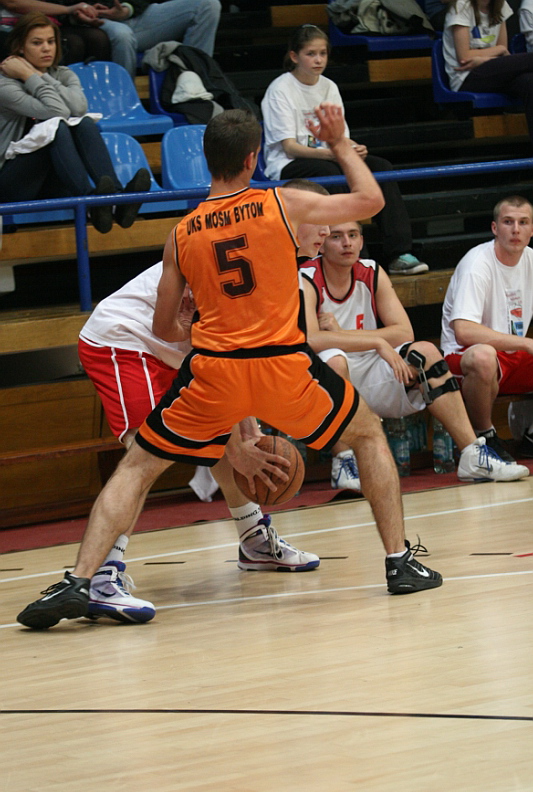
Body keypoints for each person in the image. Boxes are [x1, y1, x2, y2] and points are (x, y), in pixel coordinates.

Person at [17, 102, 444, 631]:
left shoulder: (181, 233)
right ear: (252, 158)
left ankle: (79, 579)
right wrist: (337, 143)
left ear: (206, 158)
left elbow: (166, 328)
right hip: (277, 366)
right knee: (367, 435)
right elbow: (372, 200)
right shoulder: (280, 203)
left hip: (214, 369)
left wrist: (196, 327)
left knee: (137, 467)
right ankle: (399, 562)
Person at [77, 259, 321, 622]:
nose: (326, 235)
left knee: (222, 431)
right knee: (143, 456)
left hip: (175, 349)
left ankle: (254, 539)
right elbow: (215, 356)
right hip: (125, 338)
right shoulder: (237, 260)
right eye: (323, 231)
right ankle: (100, 577)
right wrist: (240, 444)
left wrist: (248, 429)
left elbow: (232, 359)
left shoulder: (275, 271)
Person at [300, 219, 530, 491]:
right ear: (322, 244)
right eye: (337, 236)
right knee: (335, 359)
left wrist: (363, 339)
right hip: (324, 380)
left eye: (353, 235)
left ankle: (472, 453)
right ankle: (344, 461)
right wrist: (376, 341)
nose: (347, 243)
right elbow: (312, 339)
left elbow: (404, 331)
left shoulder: (372, 272)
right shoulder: (307, 277)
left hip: (373, 369)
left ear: (362, 241)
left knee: (425, 352)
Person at [260, 24, 429, 277]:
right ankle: (358, 258)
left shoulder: (329, 86)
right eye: (310, 54)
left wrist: (353, 149)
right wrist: (335, 153)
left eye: (322, 53)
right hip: (288, 163)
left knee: (381, 168)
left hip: (330, 156)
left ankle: (399, 253)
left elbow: (340, 137)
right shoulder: (280, 89)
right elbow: (290, 147)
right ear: (294, 56)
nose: (318, 60)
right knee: (331, 173)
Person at [0, 13, 150, 232]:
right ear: (20, 48)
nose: (46, 48)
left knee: (84, 123)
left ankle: (115, 199)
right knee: (56, 127)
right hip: (11, 183)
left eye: (51, 41)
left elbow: (79, 108)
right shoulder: (5, 85)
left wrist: (38, 75)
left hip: (54, 180)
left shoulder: (64, 74)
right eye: (37, 43)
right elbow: (57, 111)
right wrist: (29, 76)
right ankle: (90, 201)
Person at [441, 194, 533, 460]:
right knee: (484, 356)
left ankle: (530, 435)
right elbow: (464, 331)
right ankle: (483, 437)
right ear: (495, 228)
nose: (515, 230)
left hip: (510, 357)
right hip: (463, 358)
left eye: (523, 222)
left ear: (531, 230)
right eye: (508, 222)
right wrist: (525, 343)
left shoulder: (531, 259)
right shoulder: (477, 264)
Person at [443, 0, 533, 148]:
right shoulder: (461, 6)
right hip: (466, 76)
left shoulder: (500, 5)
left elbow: (502, 51)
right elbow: (464, 56)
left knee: (529, 82)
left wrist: (483, 58)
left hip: (491, 69)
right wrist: (498, 51)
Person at [92, 0, 221, 78]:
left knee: (208, 5)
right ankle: (124, 100)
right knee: (122, 35)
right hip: (95, 19)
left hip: (135, 13)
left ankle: (193, 85)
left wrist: (127, 9)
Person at [0, 0, 111, 63]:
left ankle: (96, 90)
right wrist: (69, 9)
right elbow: (13, 3)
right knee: (73, 43)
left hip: (53, 21)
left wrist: (83, 12)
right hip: (12, 25)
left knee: (98, 38)